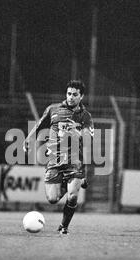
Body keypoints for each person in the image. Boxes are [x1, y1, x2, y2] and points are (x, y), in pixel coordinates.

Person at [23, 80, 94, 234]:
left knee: (73, 196)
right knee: (52, 199)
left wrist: (78, 133)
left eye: (75, 95)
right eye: (69, 94)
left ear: (81, 96)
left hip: (75, 161)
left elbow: (89, 136)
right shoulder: (53, 109)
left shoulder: (85, 116)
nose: (71, 97)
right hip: (55, 160)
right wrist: (29, 138)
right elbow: (40, 125)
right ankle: (73, 181)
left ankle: (64, 227)